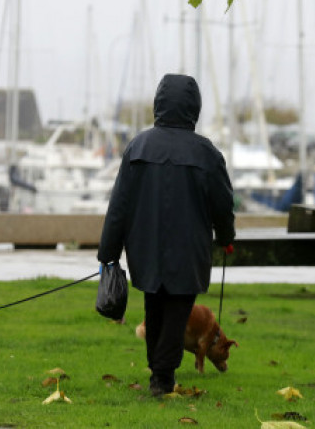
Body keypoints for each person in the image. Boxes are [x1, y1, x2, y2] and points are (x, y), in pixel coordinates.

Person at [97, 74, 235, 398]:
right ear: (194, 108)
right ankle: (162, 377)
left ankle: (158, 373)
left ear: (158, 103)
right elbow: (223, 204)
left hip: (145, 246)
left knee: (154, 306)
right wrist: (227, 237)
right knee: (177, 310)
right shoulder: (207, 154)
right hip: (190, 248)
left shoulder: (139, 146)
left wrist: (109, 251)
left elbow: (119, 204)